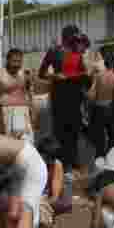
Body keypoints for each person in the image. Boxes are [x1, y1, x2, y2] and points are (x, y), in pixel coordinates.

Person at [38, 25, 88, 214]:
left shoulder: (79, 52)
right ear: (65, 36)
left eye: (76, 37)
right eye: (71, 37)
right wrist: (54, 75)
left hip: (75, 94)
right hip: (59, 94)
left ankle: (72, 166)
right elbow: (41, 73)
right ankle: (61, 166)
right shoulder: (54, 51)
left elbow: (84, 71)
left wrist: (84, 76)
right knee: (60, 130)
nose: (74, 40)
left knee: (74, 131)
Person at [86, 51, 114, 159]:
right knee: (112, 135)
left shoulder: (98, 76)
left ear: (105, 64)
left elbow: (91, 94)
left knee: (99, 136)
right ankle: (111, 156)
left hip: (98, 108)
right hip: (110, 108)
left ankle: (99, 158)